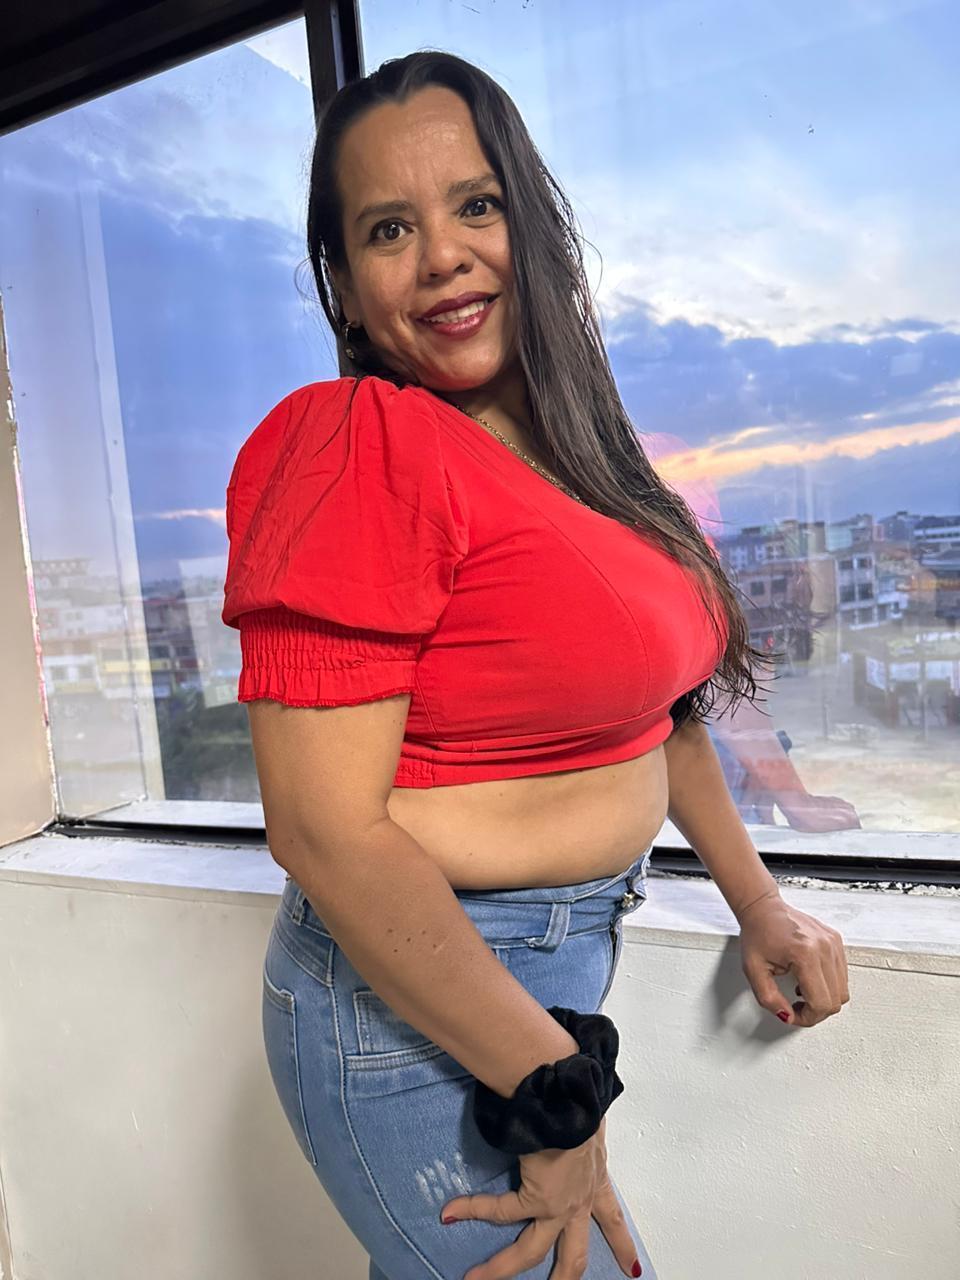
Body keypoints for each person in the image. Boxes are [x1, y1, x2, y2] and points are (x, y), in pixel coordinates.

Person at [221, 50, 850, 1280]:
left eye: (476, 204)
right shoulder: (356, 446)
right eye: (389, 228)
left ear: (532, 223)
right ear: (344, 283)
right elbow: (323, 831)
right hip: (416, 1001)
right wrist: (553, 1092)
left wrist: (758, 899)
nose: (442, 255)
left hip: (544, 980)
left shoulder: (586, 461)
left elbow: (659, 719)